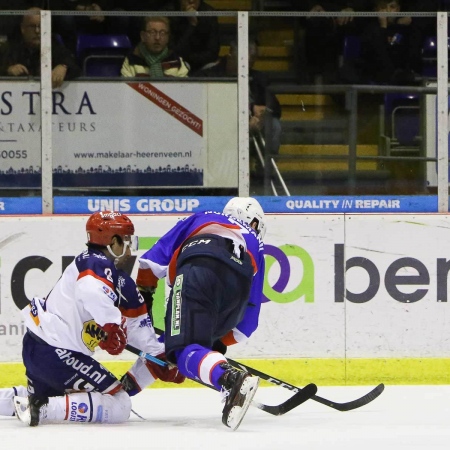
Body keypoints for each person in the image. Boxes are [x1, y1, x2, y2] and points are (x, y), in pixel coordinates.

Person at [11, 211, 184, 426]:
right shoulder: (93, 261)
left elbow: (140, 331)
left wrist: (159, 360)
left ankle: (31, 401)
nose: (130, 250)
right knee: (119, 405)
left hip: (40, 348)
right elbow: (91, 291)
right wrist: (109, 325)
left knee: (42, 395)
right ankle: (43, 408)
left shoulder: (121, 283)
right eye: (127, 241)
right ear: (113, 242)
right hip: (57, 352)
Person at [136, 197, 267, 430]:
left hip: (199, 270)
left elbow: (151, 261)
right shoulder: (256, 245)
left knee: (179, 350)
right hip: (235, 292)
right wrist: (215, 340)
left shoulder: (203, 217)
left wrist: (143, 301)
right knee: (188, 347)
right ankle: (216, 371)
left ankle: (229, 378)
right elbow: (247, 324)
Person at [195, 38, 282, 155]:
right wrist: (250, 109)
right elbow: (213, 106)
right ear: (230, 56)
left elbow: (276, 107)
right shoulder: (210, 75)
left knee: (274, 125)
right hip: (223, 124)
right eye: (243, 62)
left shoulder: (258, 78)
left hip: (253, 123)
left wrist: (262, 112)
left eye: (251, 63)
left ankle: (264, 172)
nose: (246, 68)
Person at [0, 7, 81, 88]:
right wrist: (8, 70)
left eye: (41, 26)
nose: (37, 31)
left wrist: (64, 66)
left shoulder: (53, 45)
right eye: (32, 26)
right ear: (23, 28)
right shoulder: (10, 47)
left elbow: (75, 66)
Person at [358, 0, 423, 85]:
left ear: (398, 9)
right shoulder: (371, 30)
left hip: (401, 74)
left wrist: (400, 26)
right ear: (377, 10)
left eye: (392, 7)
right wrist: (383, 27)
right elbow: (379, 56)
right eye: (383, 7)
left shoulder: (405, 28)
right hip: (378, 73)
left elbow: (409, 56)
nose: (388, 11)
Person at [121, 15, 189, 78]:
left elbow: (184, 88)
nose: (157, 37)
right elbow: (126, 89)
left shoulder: (176, 61)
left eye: (162, 33)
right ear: (143, 36)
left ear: (168, 37)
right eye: (152, 32)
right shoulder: (132, 61)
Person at [163, 0, 220, 73]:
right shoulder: (169, 12)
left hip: (202, 64)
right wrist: (192, 25)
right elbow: (172, 51)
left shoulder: (209, 13)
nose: (191, 1)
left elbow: (213, 52)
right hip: (176, 63)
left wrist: (189, 59)